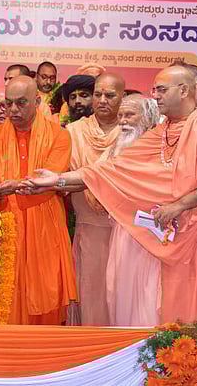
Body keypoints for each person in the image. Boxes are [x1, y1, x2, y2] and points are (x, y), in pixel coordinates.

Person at [24, 65, 197, 326]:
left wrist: (178, 207)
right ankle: (169, 356)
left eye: (161, 90)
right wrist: (57, 179)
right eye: (155, 90)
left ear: (184, 90)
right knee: (169, 305)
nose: (156, 96)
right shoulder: (160, 133)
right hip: (172, 236)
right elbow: (110, 170)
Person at [0, 75, 76, 324]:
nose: (12, 110)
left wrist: (14, 186)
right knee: (6, 292)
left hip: (45, 225)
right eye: (8, 103)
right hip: (5, 226)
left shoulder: (59, 136)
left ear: (37, 101)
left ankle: (45, 355)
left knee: (47, 289)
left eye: (21, 103)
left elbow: (51, 180)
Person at [65, 73, 125, 326]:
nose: (102, 101)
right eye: (98, 94)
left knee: (122, 293)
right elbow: (72, 175)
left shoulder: (133, 132)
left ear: (123, 98)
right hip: (89, 227)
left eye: (110, 95)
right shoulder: (74, 131)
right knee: (90, 292)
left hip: (125, 230)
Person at [104, 95, 161, 326]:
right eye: (120, 116)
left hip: (152, 235)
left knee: (147, 297)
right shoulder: (115, 149)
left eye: (129, 115)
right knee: (119, 293)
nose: (123, 122)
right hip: (122, 232)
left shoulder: (163, 148)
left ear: (148, 119)